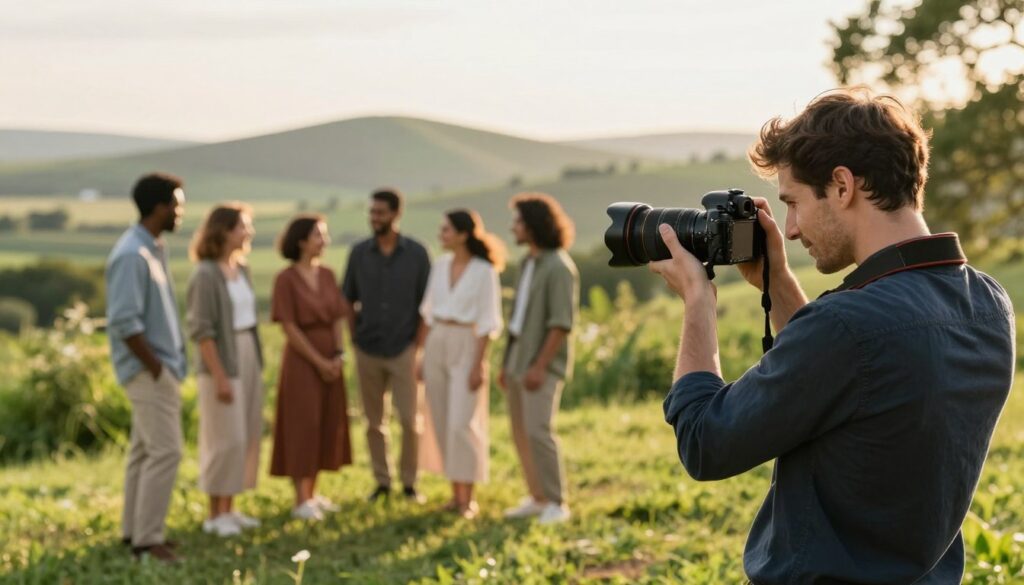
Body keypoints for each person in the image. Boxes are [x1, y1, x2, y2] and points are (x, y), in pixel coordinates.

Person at [652, 88, 1015, 583]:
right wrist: (776, 282)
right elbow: (848, 377)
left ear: (842, 186)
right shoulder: (988, 305)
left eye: (794, 203)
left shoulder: (848, 327)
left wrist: (698, 303)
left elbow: (705, 443)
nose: (793, 230)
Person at [105, 172, 187, 562]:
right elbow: (124, 322)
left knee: (143, 451)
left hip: (157, 366)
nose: (181, 212)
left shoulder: (151, 247)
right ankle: (147, 541)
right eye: (177, 204)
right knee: (167, 452)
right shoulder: (131, 255)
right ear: (160, 207)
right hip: (147, 371)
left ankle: (132, 532)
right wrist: (156, 369)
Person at [340, 188, 431, 503]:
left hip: (405, 348)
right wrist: (353, 339)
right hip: (367, 348)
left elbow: (427, 306)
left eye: (380, 212)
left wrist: (418, 346)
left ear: (395, 214)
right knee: (373, 422)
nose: (374, 218)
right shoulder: (359, 253)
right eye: (372, 212)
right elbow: (347, 300)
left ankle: (409, 483)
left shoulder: (418, 254)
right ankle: (382, 482)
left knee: (409, 420)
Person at [417, 209, 505, 519]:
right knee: (440, 419)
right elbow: (427, 313)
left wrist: (479, 364)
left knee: (462, 423)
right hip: (437, 340)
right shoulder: (439, 266)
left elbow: (488, 322)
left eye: (446, 230)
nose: (441, 235)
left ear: (463, 234)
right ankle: (455, 496)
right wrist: (421, 355)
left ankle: (468, 499)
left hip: (468, 344)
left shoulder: (484, 271)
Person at [499, 193, 579, 525]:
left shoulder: (559, 267)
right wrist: (506, 363)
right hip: (517, 361)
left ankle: (557, 503)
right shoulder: (527, 264)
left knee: (538, 431)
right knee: (520, 432)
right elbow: (517, 319)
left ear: (532, 226)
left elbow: (561, 324)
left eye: (517, 221)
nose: (512, 227)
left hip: (541, 365)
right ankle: (537, 497)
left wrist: (539, 366)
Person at [186, 203, 264, 537]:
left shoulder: (241, 268)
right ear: (224, 230)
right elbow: (202, 330)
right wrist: (220, 376)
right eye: (243, 226)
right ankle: (214, 514)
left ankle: (230, 509)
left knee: (245, 434)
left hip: (247, 353)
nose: (249, 232)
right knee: (224, 439)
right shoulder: (205, 274)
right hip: (221, 359)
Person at [269, 215, 352, 521]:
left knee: (325, 422)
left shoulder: (328, 275)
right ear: (302, 240)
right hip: (303, 362)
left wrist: (339, 354)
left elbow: (337, 319)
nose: (325, 241)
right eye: (319, 235)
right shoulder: (286, 279)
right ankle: (300, 498)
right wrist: (319, 362)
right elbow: (288, 326)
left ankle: (314, 493)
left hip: (331, 357)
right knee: (302, 424)